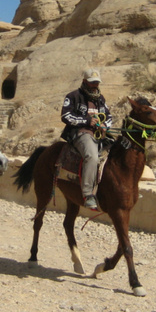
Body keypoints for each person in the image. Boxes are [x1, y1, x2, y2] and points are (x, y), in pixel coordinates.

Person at [60, 68, 112, 210]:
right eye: (92, 83)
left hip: (99, 134)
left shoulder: (101, 99)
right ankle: (88, 194)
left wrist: (105, 125)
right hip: (80, 133)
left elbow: (109, 117)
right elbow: (66, 116)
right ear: (84, 82)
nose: (95, 85)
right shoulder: (73, 96)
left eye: (96, 82)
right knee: (92, 156)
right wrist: (87, 121)